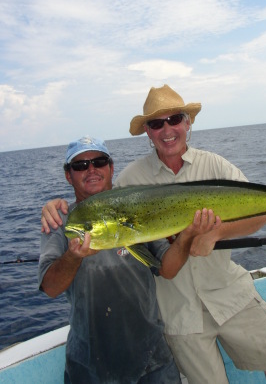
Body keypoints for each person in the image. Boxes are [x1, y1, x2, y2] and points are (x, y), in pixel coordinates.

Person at [41, 86, 266, 384]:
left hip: (231, 295)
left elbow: (262, 214)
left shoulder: (214, 164)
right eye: (155, 123)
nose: (166, 129)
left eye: (174, 119)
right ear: (148, 133)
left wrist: (216, 233)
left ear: (187, 123)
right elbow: (97, 202)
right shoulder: (131, 181)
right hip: (178, 312)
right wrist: (55, 207)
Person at [38, 135, 214, 384]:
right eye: (80, 165)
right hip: (89, 365)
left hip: (152, 360)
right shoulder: (59, 222)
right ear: (68, 175)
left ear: (111, 167)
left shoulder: (135, 207)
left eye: (99, 162)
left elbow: (168, 269)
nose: (91, 170)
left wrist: (187, 235)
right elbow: (50, 287)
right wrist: (72, 256)